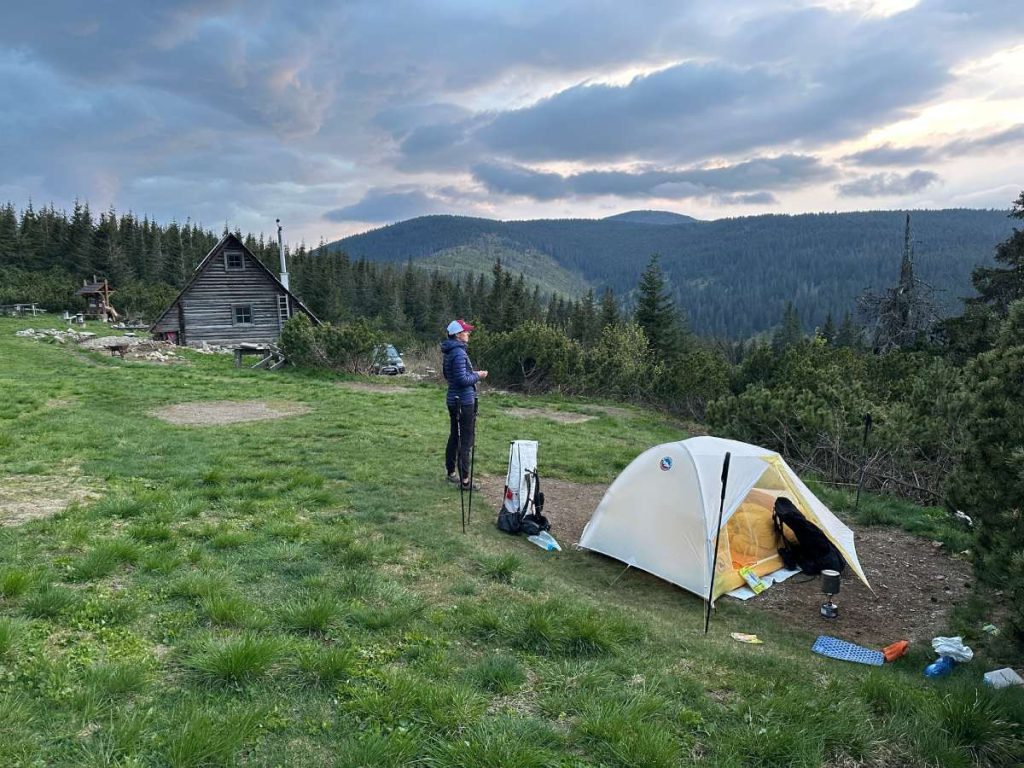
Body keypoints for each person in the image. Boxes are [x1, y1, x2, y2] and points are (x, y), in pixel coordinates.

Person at [441, 319, 488, 489]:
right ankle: (465, 481)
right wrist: (478, 376)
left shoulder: (449, 352)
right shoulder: (459, 353)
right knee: (465, 440)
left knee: (455, 435)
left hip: (453, 399)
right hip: (463, 402)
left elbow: (449, 375)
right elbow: (462, 379)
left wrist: (472, 373)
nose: (468, 334)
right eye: (466, 332)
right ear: (457, 335)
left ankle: (451, 472)